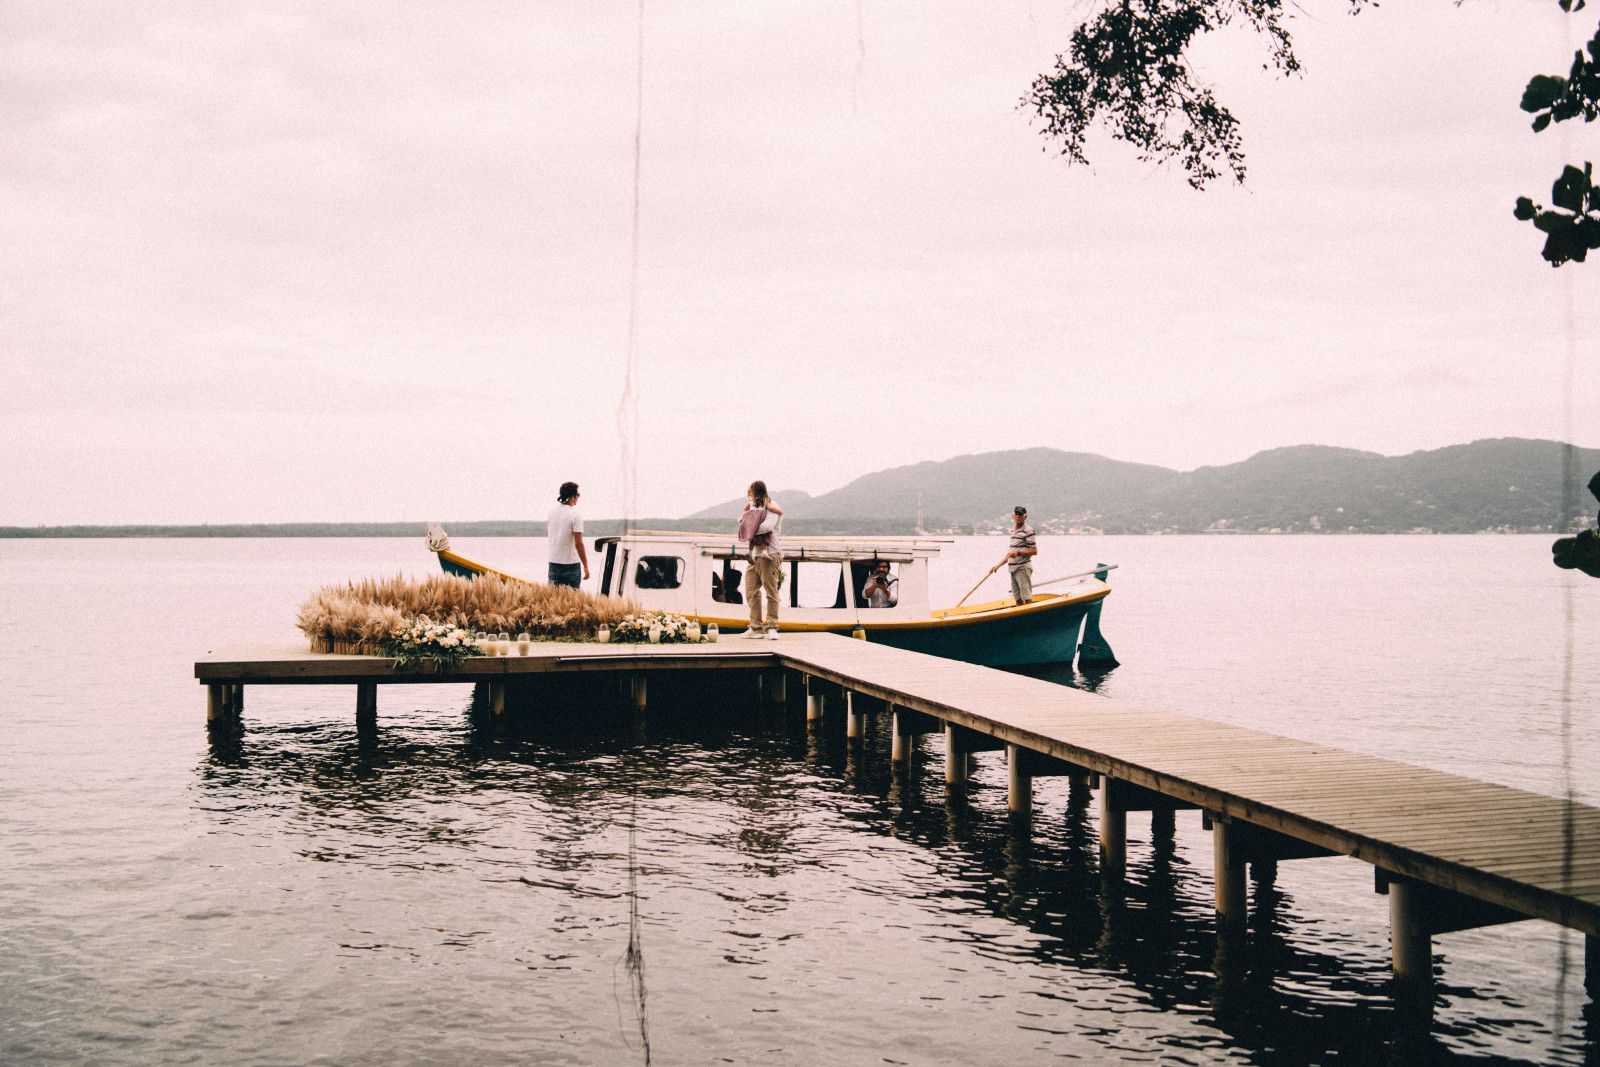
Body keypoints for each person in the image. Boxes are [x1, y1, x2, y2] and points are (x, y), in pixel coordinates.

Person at [739, 480, 783, 639]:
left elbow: (767, 527)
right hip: (755, 555)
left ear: (756, 492)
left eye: (750, 492)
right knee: (751, 591)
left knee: (771, 591)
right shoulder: (753, 506)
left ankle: (772, 627)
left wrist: (748, 527)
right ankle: (755, 627)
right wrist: (747, 523)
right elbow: (742, 520)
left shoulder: (771, 505)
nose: (749, 495)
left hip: (770, 553)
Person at [546, 481, 589, 589]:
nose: (578, 497)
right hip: (571, 563)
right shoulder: (575, 515)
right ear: (572, 497)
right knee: (573, 596)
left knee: (553, 596)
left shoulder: (551, 513)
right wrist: (585, 566)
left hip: (553, 561)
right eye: (578, 495)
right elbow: (579, 544)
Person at [1007, 505, 1036, 604]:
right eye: (1016, 514)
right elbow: (1010, 553)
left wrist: (1018, 552)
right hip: (1012, 569)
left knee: (1026, 597)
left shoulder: (1028, 530)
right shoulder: (1012, 531)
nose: (1018, 516)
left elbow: (1034, 551)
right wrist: (997, 566)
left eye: (1020, 515)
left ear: (1025, 517)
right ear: (1013, 516)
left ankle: (1031, 613)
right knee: (1018, 599)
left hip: (1022, 568)